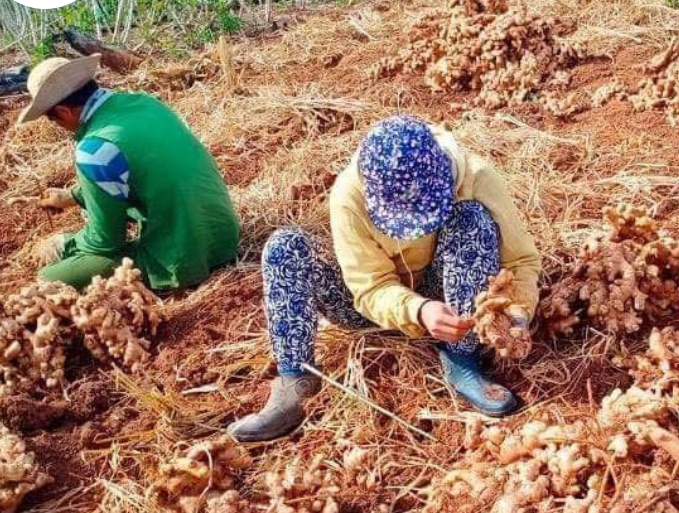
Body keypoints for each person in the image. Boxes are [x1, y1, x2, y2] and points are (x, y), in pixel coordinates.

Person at [229, 115, 541, 443]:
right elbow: (369, 286)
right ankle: (295, 381)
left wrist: (517, 313)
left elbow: (520, 261)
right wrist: (417, 310)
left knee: (472, 220)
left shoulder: (477, 178)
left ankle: (463, 357)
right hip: (375, 306)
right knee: (284, 247)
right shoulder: (349, 195)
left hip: (451, 296)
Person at [20, 55, 240, 290]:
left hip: (185, 256)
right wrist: (72, 196)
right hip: (225, 234)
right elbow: (143, 169)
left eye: (54, 120)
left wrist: (66, 244)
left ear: (63, 112)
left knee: (50, 278)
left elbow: (105, 242)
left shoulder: (94, 149)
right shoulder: (145, 103)